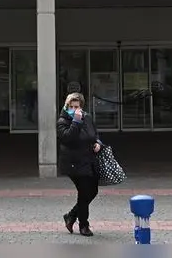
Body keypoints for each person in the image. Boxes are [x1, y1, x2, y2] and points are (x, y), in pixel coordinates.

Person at [56, 92, 101, 237]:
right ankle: (84, 225)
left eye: (77, 106)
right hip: (73, 163)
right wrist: (75, 121)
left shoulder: (87, 117)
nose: (75, 109)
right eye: (71, 106)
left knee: (92, 191)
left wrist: (98, 143)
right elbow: (68, 138)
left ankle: (71, 215)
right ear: (67, 106)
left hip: (89, 160)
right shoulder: (63, 121)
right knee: (84, 192)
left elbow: (95, 134)